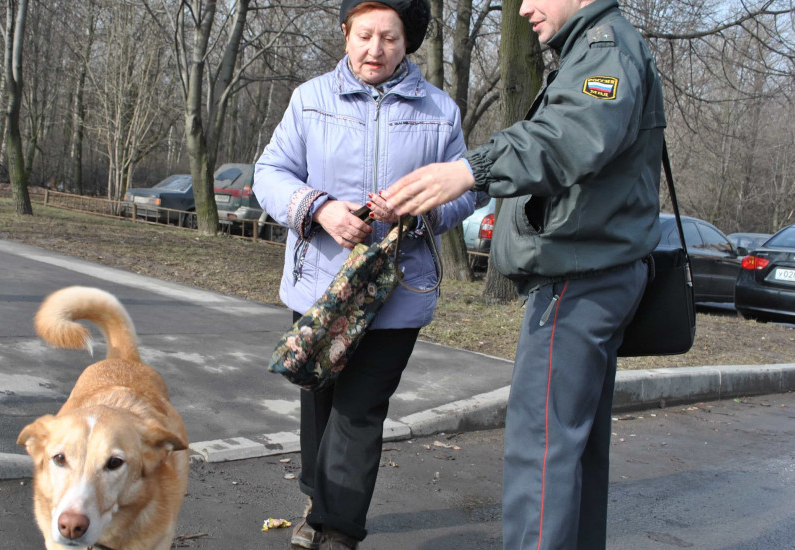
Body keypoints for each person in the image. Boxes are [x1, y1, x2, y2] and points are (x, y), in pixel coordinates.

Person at [382, 0, 666, 548]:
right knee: (572, 451)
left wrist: (471, 168)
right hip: (593, 274)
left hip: (580, 281)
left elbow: (566, 138)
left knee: (542, 448)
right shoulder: (597, 47)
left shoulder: (604, 50)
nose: (525, 10)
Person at [253, 1, 477, 548]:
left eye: (390, 39)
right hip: (320, 287)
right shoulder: (310, 100)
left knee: (360, 410)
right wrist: (320, 209)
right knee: (320, 402)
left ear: (408, 43)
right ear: (346, 34)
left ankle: (338, 530)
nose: (375, 50)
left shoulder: (440, 112)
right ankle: (318, 499)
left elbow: (470, 189)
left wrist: (421, 209)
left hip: (396, 292)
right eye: (365, 36)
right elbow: (269, 173)